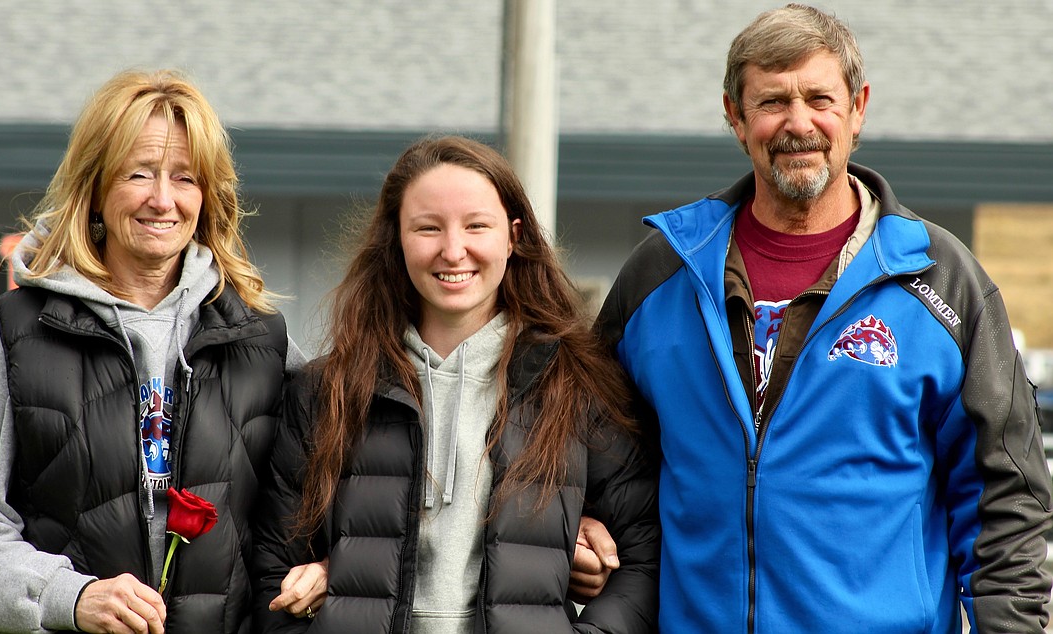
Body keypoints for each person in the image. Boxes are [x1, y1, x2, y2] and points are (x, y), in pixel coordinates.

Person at [591, 4, 1053, 632]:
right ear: (735, 115)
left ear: (858, 108)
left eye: (819, 98)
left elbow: (1006, 506)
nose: (798, 123)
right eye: (772, 101)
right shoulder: (663, 274)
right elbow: (595, 452)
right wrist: (584, 528)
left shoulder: (942, 281)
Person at [0, 69, 324, 634]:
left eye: (184, 177)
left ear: (207, 196)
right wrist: (69, 596)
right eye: (139, 174)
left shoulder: (260, 340)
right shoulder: (22, 333)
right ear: (95, 189)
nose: (163, 200)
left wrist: (328, 566)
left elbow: (351, 492)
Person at [251, 135, 660, 633]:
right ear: (396, 240)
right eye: (428, 228)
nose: (453, 250)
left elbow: (642, 557)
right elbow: (272, 565)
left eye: (476, 226)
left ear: (512, 237)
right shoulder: (326, 392)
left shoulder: (576, 385)